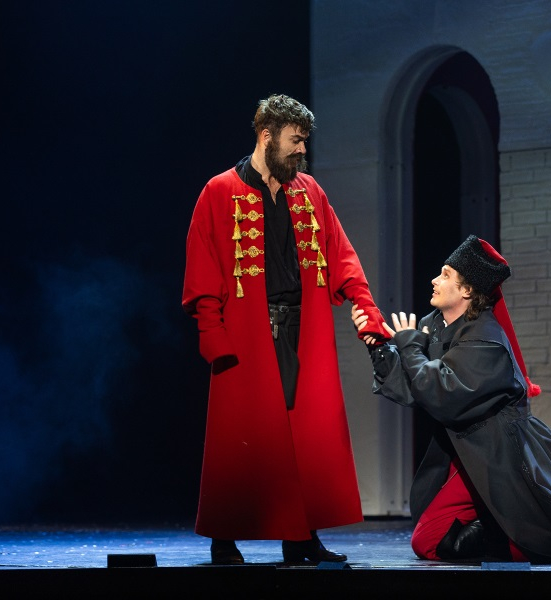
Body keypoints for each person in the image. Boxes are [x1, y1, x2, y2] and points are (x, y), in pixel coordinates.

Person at [182, 93, 389, 565]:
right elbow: (202, 270)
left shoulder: (309, 191)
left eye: (304, 141)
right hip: (246, 333)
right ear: (266, 136)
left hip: (301, 328)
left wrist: (366, 307)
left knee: (303, 438)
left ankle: (301, 539)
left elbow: (341, 255)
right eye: (295, 140)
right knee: (239, 439)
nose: (302, 150)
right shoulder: (219, 191)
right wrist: (213, 335)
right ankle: (224, 538)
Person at [352, 235, 551, 563]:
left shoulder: (486, 340)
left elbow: (441, 393)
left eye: (445, 275)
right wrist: (378, 347)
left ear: (467, 290)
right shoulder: (435, 326)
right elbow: (413, 388)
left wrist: (411, 346)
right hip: (465, 452)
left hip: (500, 457)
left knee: (534, 546)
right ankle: (502, 526)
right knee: (428, 540)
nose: (434, 280)